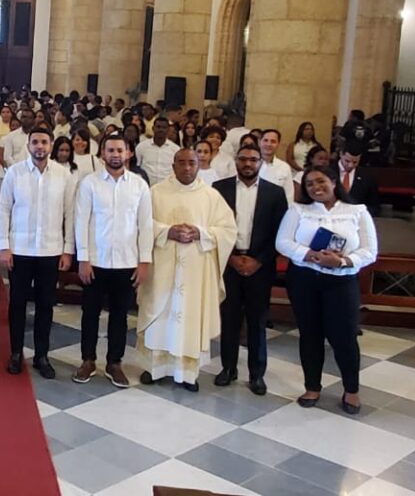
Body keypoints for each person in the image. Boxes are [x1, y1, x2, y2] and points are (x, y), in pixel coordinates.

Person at [278, 166, 378, 414]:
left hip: (341, 282)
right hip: (305, 279)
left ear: (334, 182)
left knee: (344, 337)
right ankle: (312, 386)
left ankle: (351, 390)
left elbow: (370, 251)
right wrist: (309, 255)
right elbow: (283, 242)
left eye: (320, 181)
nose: (315, 187)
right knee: (310, 334)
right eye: (309, 184)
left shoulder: (357, 211)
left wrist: (343, 262)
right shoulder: (298, 210)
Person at [136, 149, 237, 390]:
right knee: (160, 314)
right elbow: (140, 223)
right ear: (173, 166)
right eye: (181, 163)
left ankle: (187, 373)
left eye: (192, 163)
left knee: (189, 319)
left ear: (199, 165)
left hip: (195, 271)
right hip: (162, 268)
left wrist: (200, 233)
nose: (187, 168)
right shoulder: (155, 193)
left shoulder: (211, 196)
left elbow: (228, 230)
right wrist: (167, 231)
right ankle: (155, 368)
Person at [72, 134, 153, 388]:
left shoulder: (139, 185)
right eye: (110, 150)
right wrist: (83, 258)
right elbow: (81, 221)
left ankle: (114, 362)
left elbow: (146, 225)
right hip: (95, 261)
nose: (115, 154)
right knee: (90, 314)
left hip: (127, 262)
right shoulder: (90, 184)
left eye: (120, 150)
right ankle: (88, 360)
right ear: (102, 154)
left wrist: (144, 261)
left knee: (120, 315)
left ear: (128, 153)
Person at [0, 126, 74, 379]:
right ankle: (16, 353)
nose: (40, 146)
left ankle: (42, 355)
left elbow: (70, 215)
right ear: (28, 145)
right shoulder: (15, 174)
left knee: (45, 305)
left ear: (51, 145)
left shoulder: (64, 175)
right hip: (20, 250)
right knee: (17, 304)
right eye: (35, 142)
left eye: (44, 142)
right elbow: (4, 209)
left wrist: (67, 250)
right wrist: (4, 245)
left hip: (50, 250)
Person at [211, 144, 288, 395]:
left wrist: (259, 260)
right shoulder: (219, 189)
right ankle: (228, 368)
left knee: (257, 320)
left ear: (260, 163)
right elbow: (213, 227)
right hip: (229, 263)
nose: (248, 164)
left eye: (253, 160)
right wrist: (231, 257)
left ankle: (257, 374)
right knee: (230, 318)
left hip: (260, 265)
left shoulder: (275, 194)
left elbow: (280, 233)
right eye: (243, 159)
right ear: (235, 161)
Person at [257, 129, 297, 204]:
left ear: (278, 144)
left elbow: (289, 195)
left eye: (273, 141)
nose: (269, 144)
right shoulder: (251, 164)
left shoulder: (284, 167)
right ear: (259, 142)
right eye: (265, 140)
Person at [335, 147, 380, 215]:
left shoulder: (367, 176)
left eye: (355, 162)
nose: (350, 165)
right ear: (341, 154)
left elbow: (374, 205)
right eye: (347, 161)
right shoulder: (327, 171)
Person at [137, 117, 181, 184]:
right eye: (158, 127)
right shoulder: (142, 147)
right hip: (146, 186)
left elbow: (178, 170)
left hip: (167, 187)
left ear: (168, 130)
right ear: (153, 128)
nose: (161, 130)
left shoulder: (176, 149)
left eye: (164, 127)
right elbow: (138, 167)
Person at [0, 108, 33, 177]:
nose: (26, 120)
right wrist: (17, 169)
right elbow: (7, 156)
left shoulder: (36, 136)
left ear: (33, 120)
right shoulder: (11, 136)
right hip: (14, 172)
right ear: (20, 119)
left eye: (29, 118)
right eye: (24, 117)